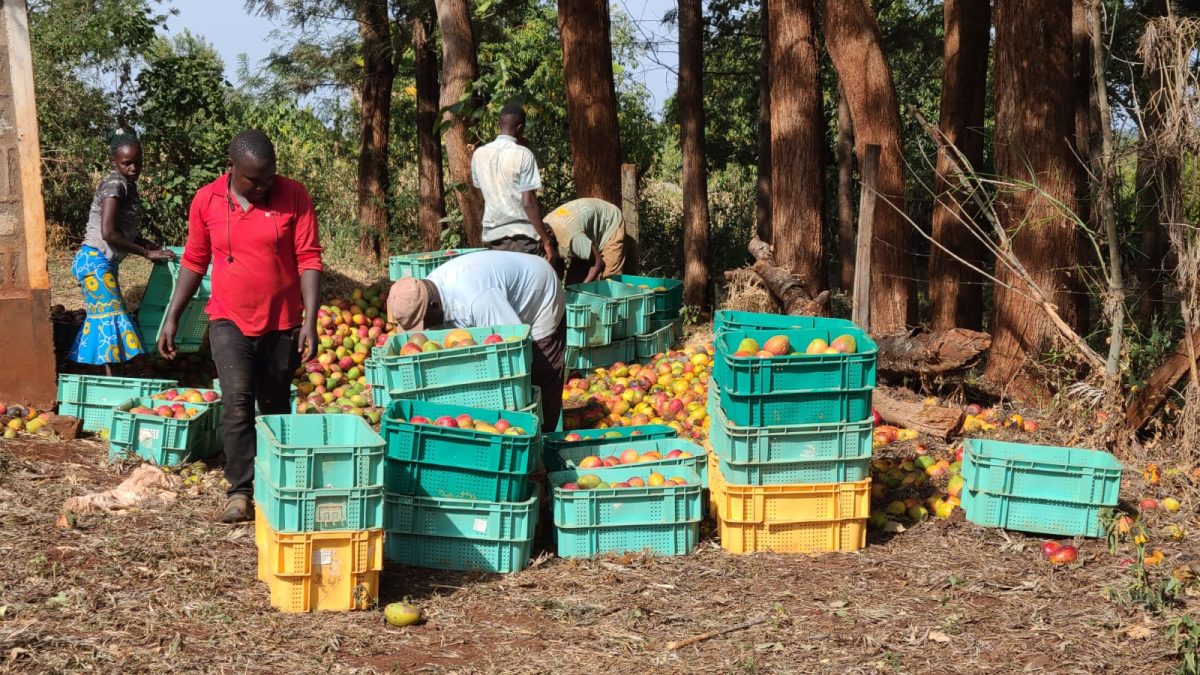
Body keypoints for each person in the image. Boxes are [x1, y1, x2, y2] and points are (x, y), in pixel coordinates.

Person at [157, 129, 322, 524]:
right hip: (228, 318)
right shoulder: (207, 200)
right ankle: (240, 490)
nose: (264, 186)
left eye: (269, 177)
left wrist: (310, 321)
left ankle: (280, 482)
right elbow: (195, 260)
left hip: (281, 322)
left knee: (276, 405)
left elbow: (309, 259)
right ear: (232, 168)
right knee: (236, 403)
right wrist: (172, 315)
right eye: (254, 179)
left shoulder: (294, 195)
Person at [386, 250, 565, 433]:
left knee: (541, 369)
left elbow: (512, 344)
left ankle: (544, 438)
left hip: (539, 289)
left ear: (433, 305)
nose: (425, 330)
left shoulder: (478, 300)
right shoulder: (428, 291)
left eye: (423, 323)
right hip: (501, 293)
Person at [68, 129, 176, 375]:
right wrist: (146, 253)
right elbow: (108, 233)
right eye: (127, 163)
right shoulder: (115, 183)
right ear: (114, 161)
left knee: (105, 320)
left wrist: (144, 242)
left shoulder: (128, 185)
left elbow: (119, 229)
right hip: (95, 260)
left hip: (100, 262)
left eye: (138, 162)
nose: (134, 167)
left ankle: (95, 377)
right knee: (110, 320)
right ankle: (112, 384)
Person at [470, 102, 559, 267]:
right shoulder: (523, 154)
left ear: (499, 124)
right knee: (528, 288)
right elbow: (528, 202)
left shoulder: (479, 154)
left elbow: (482, 198)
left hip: (494, 237)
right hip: (522, 238)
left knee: (505, 288)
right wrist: (546, 241)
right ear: (520, 128)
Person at [544, 197, 627, 285]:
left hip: (609, 222)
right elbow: (557, 267)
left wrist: (582, 287)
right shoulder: (541, 229)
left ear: (549, 233)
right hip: (584, 230)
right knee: (573, 282)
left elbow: (598, 263)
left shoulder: (572, 238)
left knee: (608, 282)